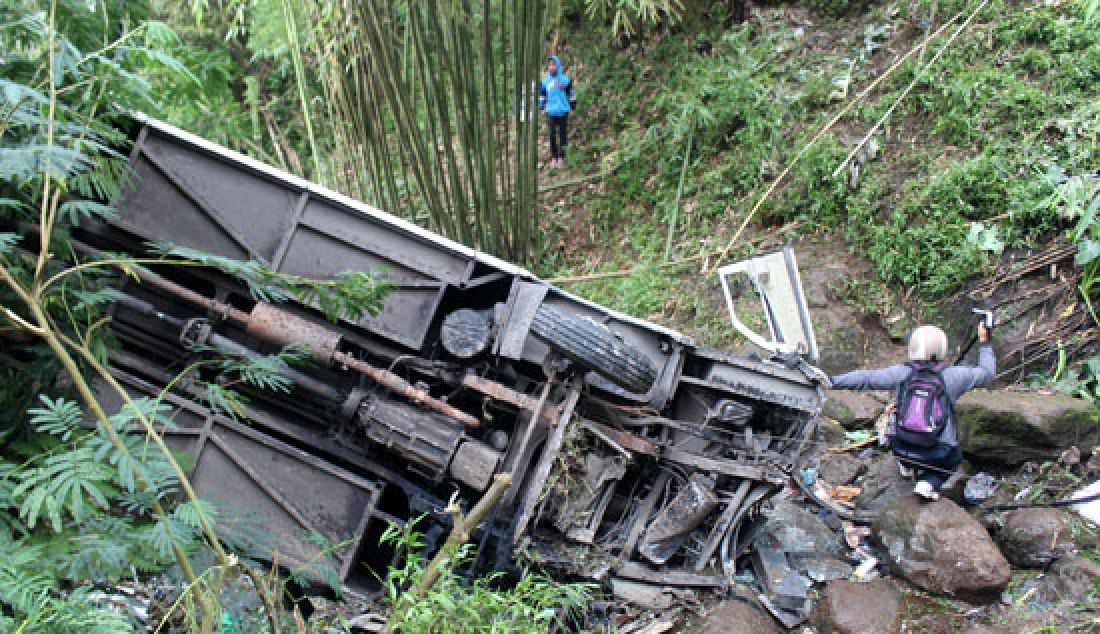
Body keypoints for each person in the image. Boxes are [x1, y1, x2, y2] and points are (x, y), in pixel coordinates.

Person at [830, 323, 995, 500]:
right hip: (937, 454)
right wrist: (984, 342)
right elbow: (987, 374)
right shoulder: (954, 377)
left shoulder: (902, 373)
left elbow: (866, 378)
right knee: (955, 459)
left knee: (894, 424)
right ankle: (928, 482)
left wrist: (832, 381)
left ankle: (907, 466)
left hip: (900, 447)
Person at [538, 55, 575, 169]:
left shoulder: (565, 80)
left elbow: (571, 94)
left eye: (554, 65)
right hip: (551, 111)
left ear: (558, 66)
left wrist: (573, 106)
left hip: (563, 110)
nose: (551, 67)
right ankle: (554, 157)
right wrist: (541, 107)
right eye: (550, 65)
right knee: (552, 135)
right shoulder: (545, 82)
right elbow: (542, 96)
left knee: (563, 135)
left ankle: (561, 157)